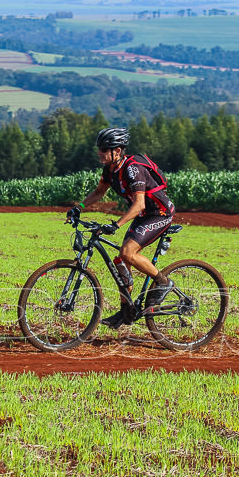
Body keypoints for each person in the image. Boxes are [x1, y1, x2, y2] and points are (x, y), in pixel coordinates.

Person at [69, 127, 175, 329]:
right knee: (121, 261)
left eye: (104, 149)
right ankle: (126, 311)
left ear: (117, 151)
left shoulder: (133, 169)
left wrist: (116, 224)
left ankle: (163, 282)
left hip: (159, 214)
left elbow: (139, 204)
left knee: (127, 253)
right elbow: (99, 191)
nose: (99, 152)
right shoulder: (109, 169)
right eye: (99, 148)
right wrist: (79, 208)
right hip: (144, 216)